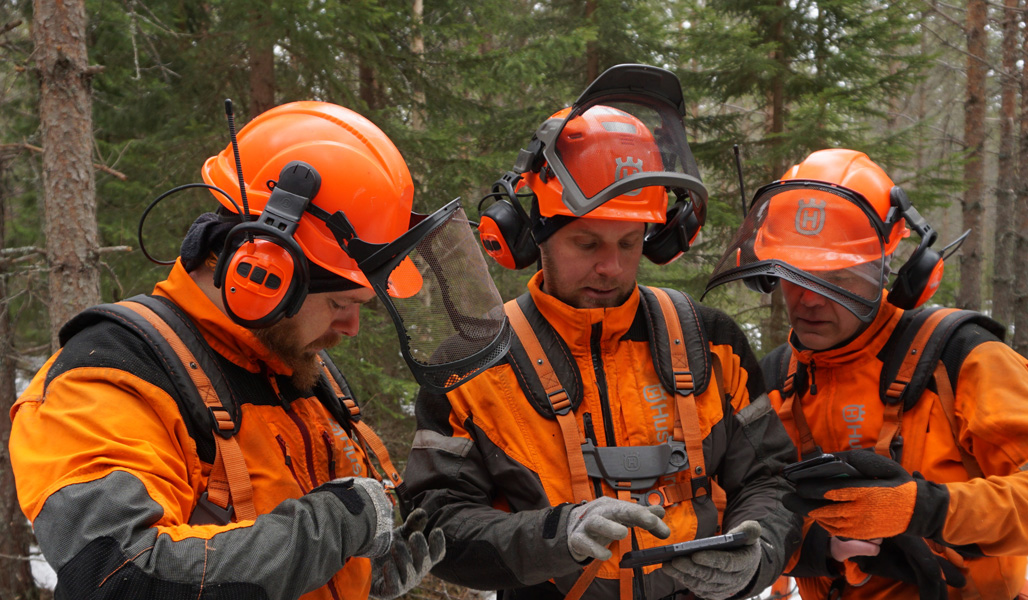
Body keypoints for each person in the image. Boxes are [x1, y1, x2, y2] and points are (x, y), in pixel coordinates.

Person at [9, 100, 512, 599]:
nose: (353, 325)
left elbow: (267, 546)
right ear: (266, 274)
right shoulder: (107, 378)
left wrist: (351, 570)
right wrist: (332, 530)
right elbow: (119, 578)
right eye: (339, 301)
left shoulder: (296, 365)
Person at [402, 64, 801, 600]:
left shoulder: (711, 341)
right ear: (532, 235)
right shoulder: (475, 362)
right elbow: (436, 521)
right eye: (587, 244)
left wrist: (759, 553)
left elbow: (770, 479)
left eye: (629, 244)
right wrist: (552, 536)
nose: (611, 268)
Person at [704, 147, 1028, 600]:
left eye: (838, 279)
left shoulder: (960, 357)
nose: (810, 299)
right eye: (796, 274)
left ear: (889, 270)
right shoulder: (775, 379)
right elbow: (727, 506)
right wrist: (818, 546)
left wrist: (928, 511)